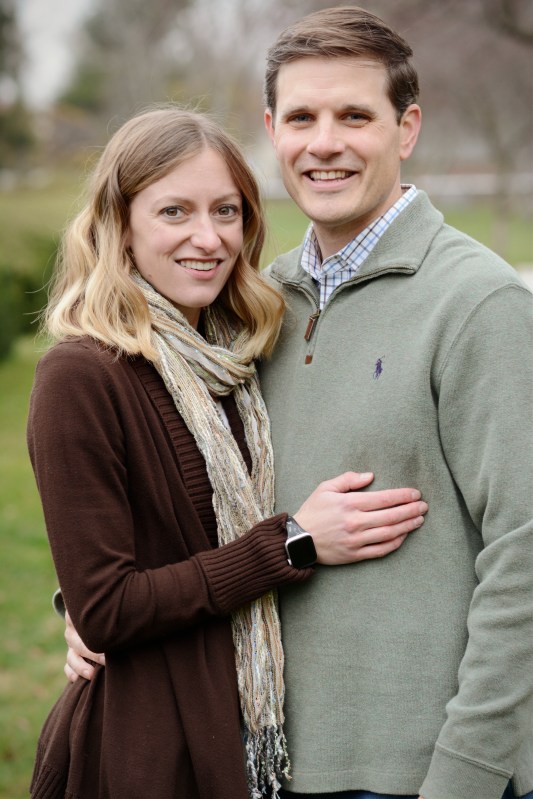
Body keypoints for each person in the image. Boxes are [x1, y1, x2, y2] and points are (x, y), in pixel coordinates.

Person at [63, 6, 533, 798]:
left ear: (406, 128)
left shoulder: (476, 303)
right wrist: (92, 604)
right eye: (302, 117)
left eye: (354, 116)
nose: (324, 143)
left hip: (416, 769)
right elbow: (186, 501)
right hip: (266, 755)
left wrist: (467, 774)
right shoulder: (254, 306)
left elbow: (523, 555)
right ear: (271, 129)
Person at [27, 105, 429, 799]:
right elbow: (108, 608)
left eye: (226, 212)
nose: (208, 238)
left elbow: (159, 543)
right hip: (149, 745)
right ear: (120, 224)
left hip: (250, 729)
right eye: (174, 212)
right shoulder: (82, 375)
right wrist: (293, 543)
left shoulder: (239, 357)